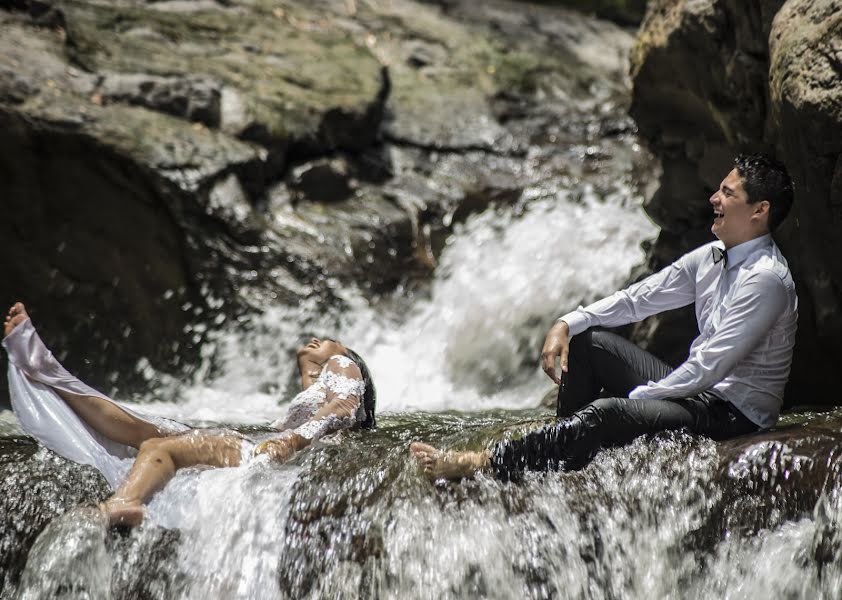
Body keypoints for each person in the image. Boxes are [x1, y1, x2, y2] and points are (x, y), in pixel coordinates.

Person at [412, 154, 797, 481]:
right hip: (699, 394)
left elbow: (709, 367)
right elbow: (638, 300)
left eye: (728, 194)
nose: (714, 198)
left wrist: (636, 403)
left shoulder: (765, 279)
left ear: (759, 211)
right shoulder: (712, 255)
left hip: (733, 414)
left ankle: (484, 463)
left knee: (606, 413)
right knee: (588, 344)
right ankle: (563, 453)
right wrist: (568, 322)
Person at [3, 302, 376, 526]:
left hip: (274, 452)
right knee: (140, 427)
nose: (318, 339)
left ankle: (125, 503)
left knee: (155, 446)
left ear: (346, 353)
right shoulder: (314, 387)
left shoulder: (343, 365)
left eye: (330, 340)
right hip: (266, 447)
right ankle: (47, 371)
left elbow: (341, 409)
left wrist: (290, 439)